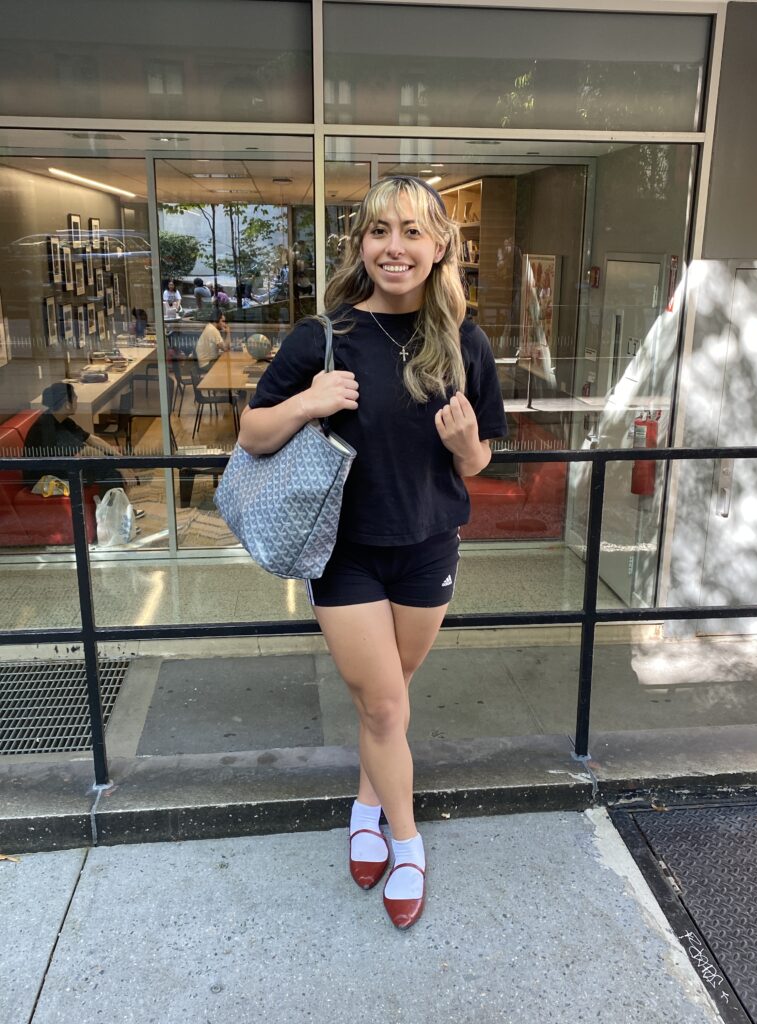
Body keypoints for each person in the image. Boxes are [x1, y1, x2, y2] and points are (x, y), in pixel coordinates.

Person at [238, 176, 507, 930]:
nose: (396, 247)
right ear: (362, 243)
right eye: (381, 230)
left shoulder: (464, 342)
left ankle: (364, 805)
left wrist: (466, 448)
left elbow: (481, 461)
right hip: (345, 553)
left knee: (383, 702)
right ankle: (408, 843)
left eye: (413, 231)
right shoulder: (323, 335)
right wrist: (309, 402)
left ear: (440, 245)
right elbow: (252, 435)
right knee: (386, 705)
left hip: (428, 549)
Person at [23, 382, 141, 501]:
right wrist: (119, 466)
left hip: (58, 467)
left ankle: (119, 509)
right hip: (44, 478)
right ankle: (112, 515)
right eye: (75, 398)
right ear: (67, 404)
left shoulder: (62, 420)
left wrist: (120, 458)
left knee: (111, 465)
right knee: (111, 473)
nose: (77, 402)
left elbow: (91, 439)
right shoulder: (48, 427)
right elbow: (88, 451)